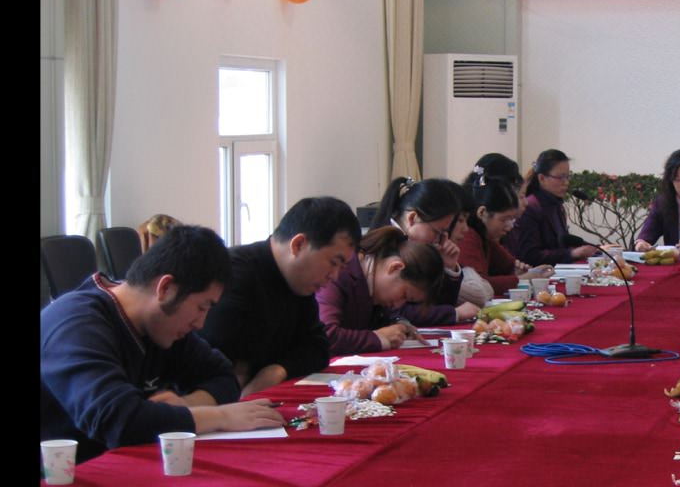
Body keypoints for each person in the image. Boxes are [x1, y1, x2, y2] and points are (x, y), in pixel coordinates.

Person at [41, 225, 284, 464]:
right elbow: (118, 421)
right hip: (66, 476)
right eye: (201, 307)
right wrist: (219, 417)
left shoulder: (160, 324)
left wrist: (187, 405)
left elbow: (223, 377)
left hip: (127, 462)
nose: (200, 323)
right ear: (166, 288)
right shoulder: (75, 323)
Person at [199, 197, 361, 396]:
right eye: (334, 262)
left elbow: (318, 348)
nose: (334, 276)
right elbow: (226, 360)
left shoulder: (300, 283)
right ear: (299, 244)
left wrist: (277, 370)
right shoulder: (234, 275)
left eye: (342, 267)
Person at [315, 226, 446, 356]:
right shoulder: (340, 273)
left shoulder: (372, 284)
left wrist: (399, 324)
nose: (398, 305)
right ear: (395, 268)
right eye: (405, 295)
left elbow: (379, 318)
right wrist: (378, 337)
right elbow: (326, 335)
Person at [371, 177, 479, 325]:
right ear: (413, 218)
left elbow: (434, 301)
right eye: (437, 232)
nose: (440, 240)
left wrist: (449, 267)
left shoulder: (416, 246)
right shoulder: (386, 246)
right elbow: (394, 309)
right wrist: (454, 313)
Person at [460, 164, 554, 294]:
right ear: (482, 213)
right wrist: (523, 279)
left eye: (512, 219)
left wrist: (526, 271)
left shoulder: (486, 236)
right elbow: (479, 285)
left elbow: (510, 265)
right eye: (504, 219)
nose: (510, 226)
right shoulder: (468, 236)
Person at [504, 149, 599, 266]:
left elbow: (559, 245)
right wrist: (572, 253)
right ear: (542, 178)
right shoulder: (530, 207)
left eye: (567, 177)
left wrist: (581, 249)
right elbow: (529, 255)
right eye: (560, 177)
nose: (566, 182)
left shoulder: (556, 205)